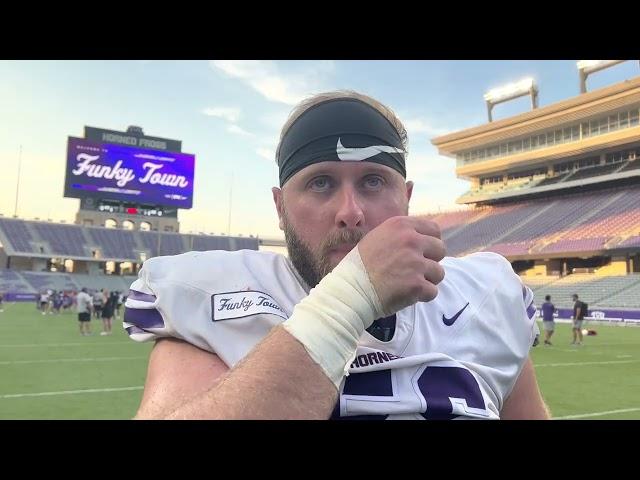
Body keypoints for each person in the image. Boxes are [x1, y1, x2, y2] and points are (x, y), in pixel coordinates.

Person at [124, 90, 548, 420]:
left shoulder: (488, 297)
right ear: (279, 207)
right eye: (321, 183)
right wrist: (353, 295)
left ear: (407, 198)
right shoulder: (212, 297)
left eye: (374, 182)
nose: (351, 212)